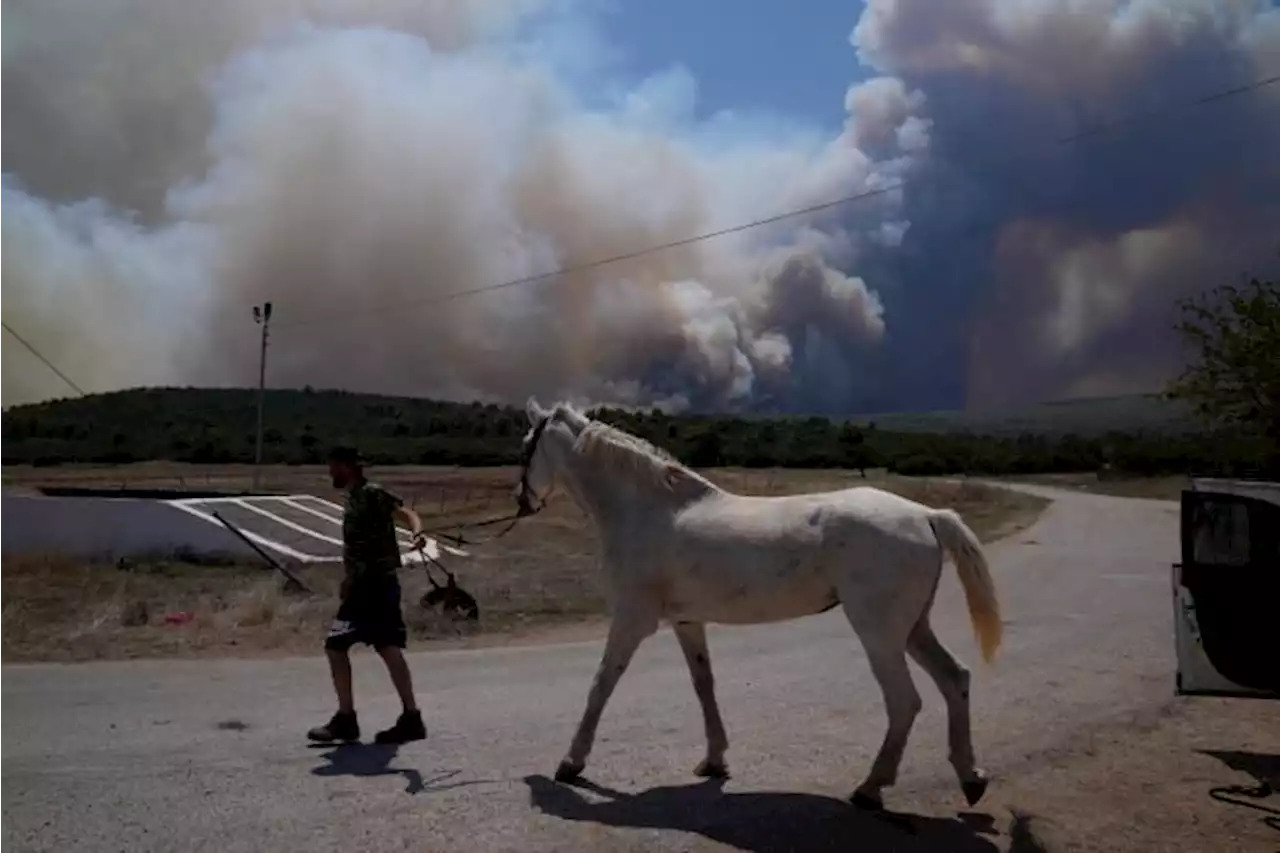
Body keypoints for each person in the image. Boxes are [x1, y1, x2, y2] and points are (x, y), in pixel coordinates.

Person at [307, 446, 428, 745]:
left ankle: (356, 719)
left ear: (347, 466)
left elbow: (406, 513)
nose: (330, 472)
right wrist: (348, 581)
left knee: (350, 646)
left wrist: (416, 533)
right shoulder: (351, 499)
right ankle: (398, 718)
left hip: (377, 585)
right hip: (362, 586)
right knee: (372, 647)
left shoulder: (373, 493)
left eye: (333, 466)